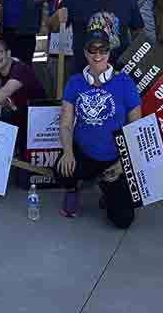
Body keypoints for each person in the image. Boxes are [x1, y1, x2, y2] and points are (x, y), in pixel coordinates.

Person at [56, 31, 141, 226]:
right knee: (62, 169)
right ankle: (72, 189)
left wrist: (122, 163)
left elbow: (136, 128)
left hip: (115, 157)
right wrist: (68, 152)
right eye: (92, 50)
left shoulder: (125, 83)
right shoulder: (75, 82)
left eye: (103, 49)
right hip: (84, 152)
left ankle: (106, 188)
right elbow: (66, 124)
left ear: (109, 52)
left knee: (123, 220)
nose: (98, 55)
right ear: (85, 53)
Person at [50, 0, 143, 73]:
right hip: (83, 70)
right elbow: (53, 27)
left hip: (118, 70)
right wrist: (57, 17)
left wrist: (135, 62)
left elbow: (138, 32)